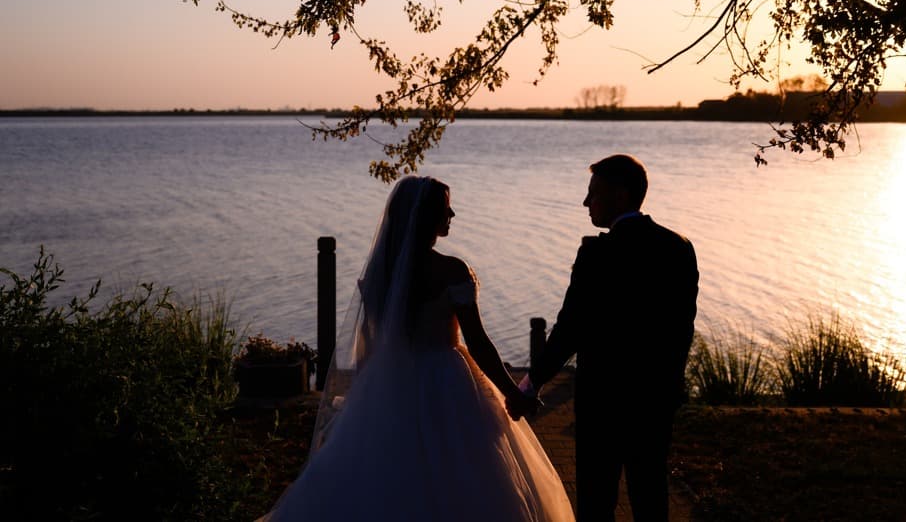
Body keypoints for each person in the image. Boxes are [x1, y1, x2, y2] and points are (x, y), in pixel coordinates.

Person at [261, 176, 575, 522]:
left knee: (389, 472)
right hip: (447, 381)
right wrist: (513, 393)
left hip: (392, 380)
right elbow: (479, 342)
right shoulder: (452, 270)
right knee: (464, 475)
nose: (452, 213)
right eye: (444, 208)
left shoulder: (379, 276)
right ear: (424, 216)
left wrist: (367, 395)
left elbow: (371, 344)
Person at [518, 154, 699, 521]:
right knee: (650, 491)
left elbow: (569, 329)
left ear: (619, 195)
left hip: (602, 397)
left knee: (597, 497)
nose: (586, 202)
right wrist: (670, 384)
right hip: (655, 397)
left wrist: (530, 383)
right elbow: (683, 327)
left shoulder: (597, 254)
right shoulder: (679, 247)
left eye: (593, 193)